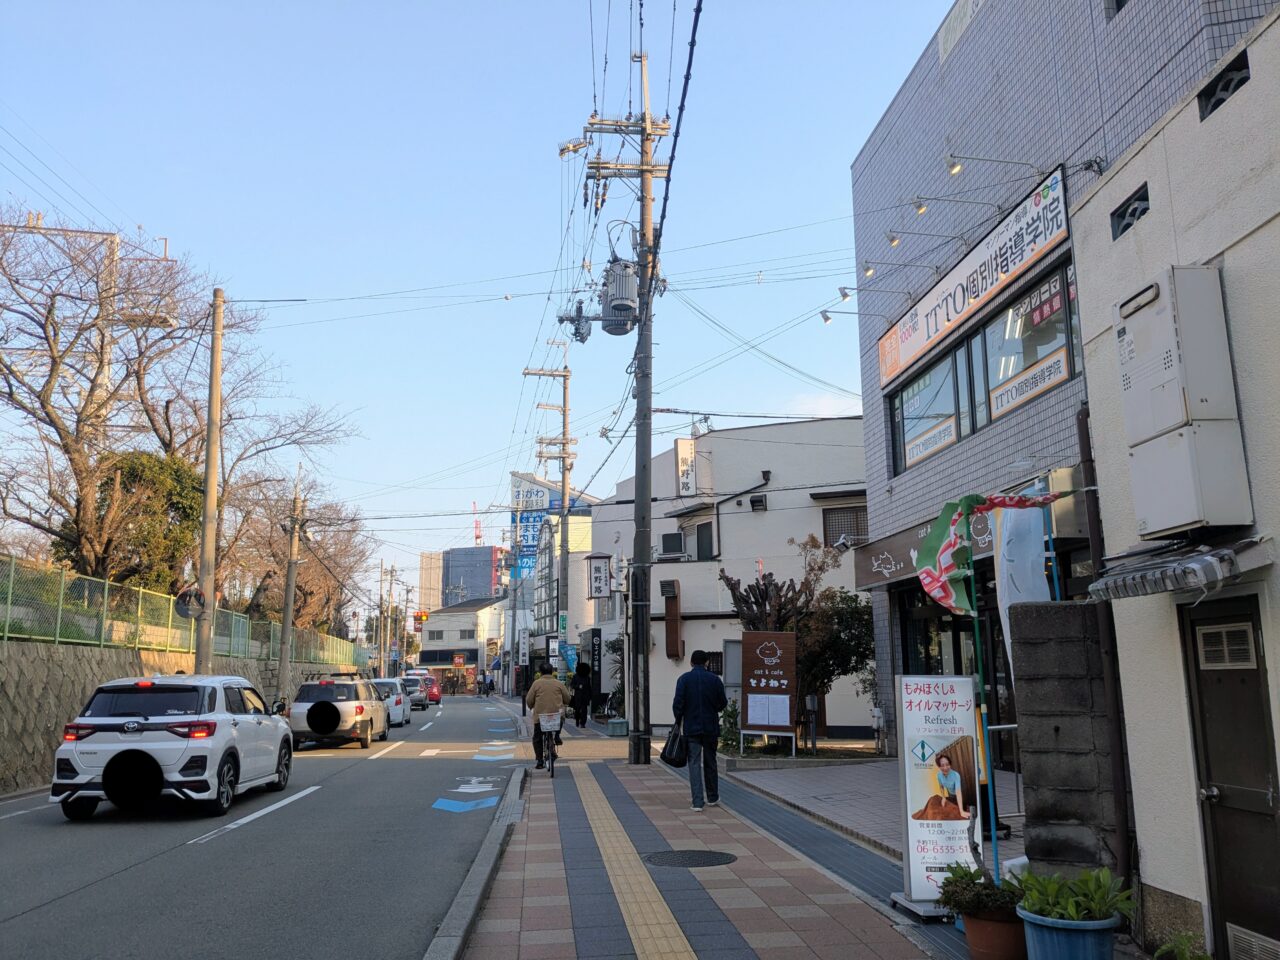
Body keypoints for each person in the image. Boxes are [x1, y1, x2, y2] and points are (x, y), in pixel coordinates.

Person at [672, 650, 728, 811]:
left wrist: (680, 719)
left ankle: (697, 802)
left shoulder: (683, 680)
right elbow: (722, 703)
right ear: (707, 663)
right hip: (710, 727)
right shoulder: (715, 680)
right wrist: (713, 710)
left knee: (694, 763)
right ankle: (712, 796)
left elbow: (677, 704)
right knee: (711, 761)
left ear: (690, 663)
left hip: (691, 728)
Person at [525, 661, 571, 769]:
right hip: (556, 716)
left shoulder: (536, 683)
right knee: (559, 720)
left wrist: (531, 706)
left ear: (540, 672)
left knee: (537, 738)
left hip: (541, 718)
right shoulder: (559, 683)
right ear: (552, 672)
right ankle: (557, 736)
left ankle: (540, 761)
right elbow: (568, 698)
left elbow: (529, 699)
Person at [935, 753, 970, 819]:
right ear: (939, 766)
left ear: (950, 764)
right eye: (942, 765)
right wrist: (943, 797)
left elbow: (958, 792)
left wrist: (962, 811)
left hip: (961, 793)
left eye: (947, 764)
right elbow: (941, 786)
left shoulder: (956, 775)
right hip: (950, 793)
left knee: (963, 807)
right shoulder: (939, 775)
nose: (945, 768)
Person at [570, 662, 592, 728]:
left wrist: (590, 696)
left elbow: (589, 687)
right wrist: (578, 687)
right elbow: (572, 685)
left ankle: (583, 723)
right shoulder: (575, 676)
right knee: (577, 709)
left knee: (584, 710)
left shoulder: (587, 677)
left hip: (585, 696)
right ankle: (577, 720)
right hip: (578, 696)